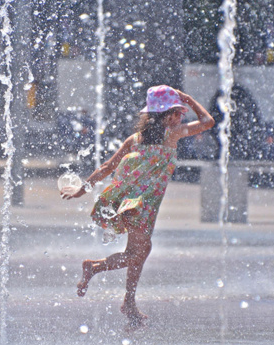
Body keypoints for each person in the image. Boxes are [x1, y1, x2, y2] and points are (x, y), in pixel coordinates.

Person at [61, 85, 215, 327]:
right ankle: (96, 270)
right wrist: (190, 99)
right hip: (140, 205)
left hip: (138, 203)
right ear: (167, 115)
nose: (181, 117)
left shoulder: (135, 140)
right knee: (137, 252)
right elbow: (208, 122)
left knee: (142, 250)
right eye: (178, 112)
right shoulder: (171, 134)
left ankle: (128, 300)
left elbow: (106, 168)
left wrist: (84, 188)